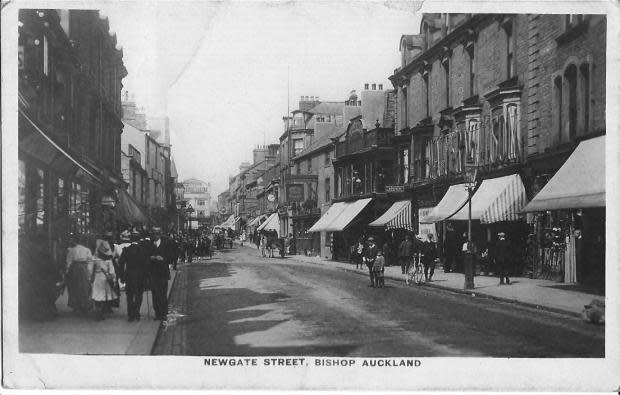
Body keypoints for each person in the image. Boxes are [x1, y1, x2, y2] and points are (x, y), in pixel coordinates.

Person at [119, 230, 149, 322]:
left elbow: (121, 264)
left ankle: (130, 314)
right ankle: (137, 312)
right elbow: (146, 265)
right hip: (140, 276)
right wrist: (147, 277)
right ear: (139, 239)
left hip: (129, 275)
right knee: (139, 295)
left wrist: (122, 276)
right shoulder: (143, 251)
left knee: (130, 295)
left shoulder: (126, 250)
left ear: (131, 239)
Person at [65, 234, 93, 315]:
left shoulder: (71, 250)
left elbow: (69, 262)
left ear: (75, 241)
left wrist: (67, 271)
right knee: (84, 287)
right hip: (84, 268)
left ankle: (76, 306)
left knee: (74, 287)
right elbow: (90, 261)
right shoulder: (87, 250)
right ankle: (85, 305)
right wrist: (89, 272)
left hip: (74, 269)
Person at [148, 228, 172, 321]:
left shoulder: (165, 244)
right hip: (153, 273)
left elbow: (170, 257)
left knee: (162, 294)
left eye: (157, 233)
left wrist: (163, 259)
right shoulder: (150, 244)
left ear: (160, 234)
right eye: (154, 234)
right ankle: (157, 313)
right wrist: (151, 258)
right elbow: (146, 257)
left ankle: (164, 313)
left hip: (163, 273)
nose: (155, 235)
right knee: (155, 294)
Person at [91, 240, 118, 321]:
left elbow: (90, 269)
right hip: (105, 279)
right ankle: (101, 312)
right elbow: (112, 272)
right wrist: (113, 279)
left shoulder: (95, 260)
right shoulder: (108, 261)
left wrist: (90, 278)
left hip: (97, 278)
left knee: (97, 296)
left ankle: (97, 310)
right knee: (103, 296)